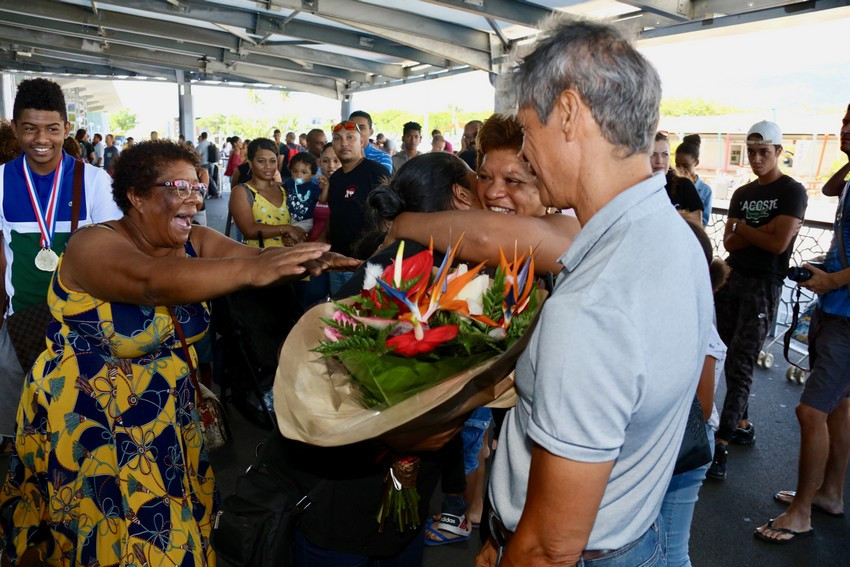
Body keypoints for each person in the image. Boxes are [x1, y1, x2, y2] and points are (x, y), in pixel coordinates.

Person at [0, 140, 356, 567]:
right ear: (136, 195)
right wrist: (256, 268)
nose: (193, 196)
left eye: (197, 186)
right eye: (178, 186)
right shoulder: (90, 245)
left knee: (170, 536)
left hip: (165, 422)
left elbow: (250, 261)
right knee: (111, 541)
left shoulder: (196, 240)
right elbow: (152, 281)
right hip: (91, 423)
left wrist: (305, 259)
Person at [475, 17, 712, 567]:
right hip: (637, 534)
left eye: (528, 132)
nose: (528, 156)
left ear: (568, 113)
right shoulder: (675, 236)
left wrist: (514, 545)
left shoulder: (593, 306)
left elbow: (550, 547)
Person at [289, 152, 482, 567]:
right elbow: (327, 379)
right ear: (461, 196)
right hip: (346, 492)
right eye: (478, 180)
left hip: (399, 495)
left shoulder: (446, 264)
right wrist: (401, 435)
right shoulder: (397, 268)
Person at [0, 78, 122, 446]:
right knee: (19, 395)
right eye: (30, 128)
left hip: (83, 318)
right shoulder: (2, 181)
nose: (42, 139)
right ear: (16, 128)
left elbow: (112, 251)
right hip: (21, 316)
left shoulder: (95, 181)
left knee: (80, 407)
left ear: (66, 129)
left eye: (52, 129)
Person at [754, 105, 850, 544]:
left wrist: (831, 280)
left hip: (845, 317)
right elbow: (832, 188)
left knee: (811, 410)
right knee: (839, 409)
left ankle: (801, 513)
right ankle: (829, 493)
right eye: (845, 122)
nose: (844, 129)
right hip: (836, 309)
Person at [707, 120, 808, 481]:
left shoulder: (792, 191)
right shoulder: (743, 192)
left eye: (764, 152)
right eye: (751, 152)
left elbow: (778, 245)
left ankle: (721, 443)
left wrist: (747, 231)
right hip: (733, 277)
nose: (756, 158)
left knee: (742, 361)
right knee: (722, 352)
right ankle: (743, 422)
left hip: (765, 285)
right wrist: (761, 230)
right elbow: (729, 243)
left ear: (779, 152)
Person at [660, 219, 729, 566]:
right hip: (669, 443)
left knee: (672, 547)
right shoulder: (673, 311)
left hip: (685, 445)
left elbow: (701, 408)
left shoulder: (700, 325)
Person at [323, 120, 388, 294]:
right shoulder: (335, 178)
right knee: (339, 316)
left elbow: (390, 217)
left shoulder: (376, 172)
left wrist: (378, 254)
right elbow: (335, 215)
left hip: (368, 265)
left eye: (350, 137)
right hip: (338, 264)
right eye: (337, 138)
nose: (344, 143)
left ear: (361, 142)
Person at [229, 138, 306, 248]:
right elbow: (249, 230)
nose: (268, 166)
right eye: (261, 161)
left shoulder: (284, 189)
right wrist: (286, 229)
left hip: (288, 259)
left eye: (272, 161)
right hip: (259, 260)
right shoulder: (242, 192)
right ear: (250, 163)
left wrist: (294, 235)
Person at [651, 131, 704, 225]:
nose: (659, 160)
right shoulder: (634, 188)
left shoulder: (684, 185)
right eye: (652, 154)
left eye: (665, 154)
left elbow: (697, 231)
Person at [676, 134, 713, 225]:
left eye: (685, 165)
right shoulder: (671, 184)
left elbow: (703, 223)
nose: (681, 170)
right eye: (677, 165)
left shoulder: (706, 190)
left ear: (696, 162)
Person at [284, 152, 321, 234]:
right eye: (295, 171)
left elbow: (322, 198)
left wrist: (326, 187)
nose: (299, 175)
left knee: (294, 235)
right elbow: (282, 190)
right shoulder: (289, 183)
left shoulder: (313, 187)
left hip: (305, 222)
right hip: (289, 219)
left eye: (304, 172)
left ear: (312, 174)